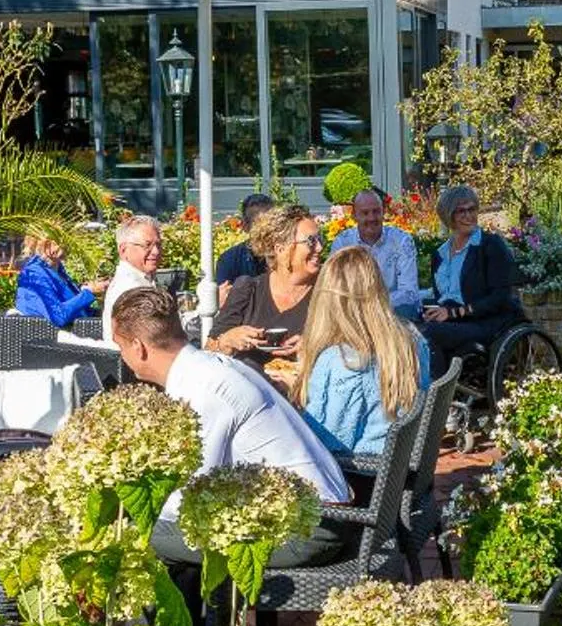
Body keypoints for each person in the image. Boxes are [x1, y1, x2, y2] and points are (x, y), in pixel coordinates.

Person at [108, 283, 349, 547]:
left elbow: (189, 495)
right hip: (320, 509)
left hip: (308, 527)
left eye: (120, 347)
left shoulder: (202, 389)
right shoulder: (211, 368)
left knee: (128, 539)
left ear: (138, 346)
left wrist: (124, 510)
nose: (122, 357)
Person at [295, 246, 430, 458]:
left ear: (328, 297)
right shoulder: (413, 341)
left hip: (358, 475)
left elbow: (327, 443)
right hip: (397, 471)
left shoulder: (341, 361)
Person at [208, 203, 322, 369]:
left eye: (320, 239)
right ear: (281, 249)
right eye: (311, 241)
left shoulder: (327, 291)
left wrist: (315, 348)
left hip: (302, 390)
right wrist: (227, 341)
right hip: (248, 389)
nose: (319, 247)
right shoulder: (248, 290)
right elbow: (208, 353)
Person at [420, 184, 521, 362]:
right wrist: (436, 312)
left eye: (472, 209)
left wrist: (455, 313)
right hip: (452, 321)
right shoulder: (440, 254)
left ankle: (438, 388)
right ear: (448, 216)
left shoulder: (490, 245)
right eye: (461, 211)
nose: (468, 216)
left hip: (485, 322)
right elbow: (441, 297)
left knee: (428, 334)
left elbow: (500, 297)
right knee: (407, 329)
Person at [329, 187, 422, 317]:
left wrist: (372, 305)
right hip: (355, 317)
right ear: (354, 216)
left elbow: (409, 293)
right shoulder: (343, 243)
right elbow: (335, 290)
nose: (372, 218)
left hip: (393, 315)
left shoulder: (401, 241)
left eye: (376, 211)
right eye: (365, 213)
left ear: (383, 212)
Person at [96, 215, 164, 341]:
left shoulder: (142, 278)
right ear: (123, 250)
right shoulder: (130, 287)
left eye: (158, 245)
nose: (156, 251)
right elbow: (147, 340)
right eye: (147, 245)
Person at [13, 235, 99, 327]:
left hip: (73, 331)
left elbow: (80, 310)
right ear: (46, 245)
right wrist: (89, 292)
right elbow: (57, 317)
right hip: (47, 337)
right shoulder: (34, 273)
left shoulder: (57, 269)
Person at [212, 194, 276, 289]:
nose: (265, 230)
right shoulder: (230, 260)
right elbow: (224, 300)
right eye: (258, 224)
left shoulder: (286, 255)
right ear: (245, 226)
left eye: (270, 223)